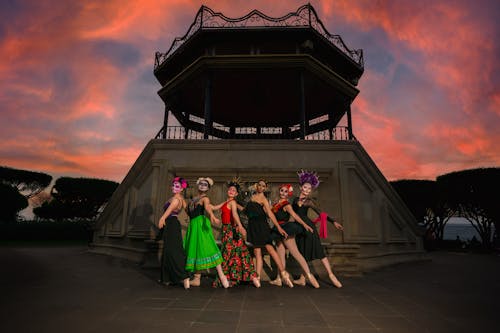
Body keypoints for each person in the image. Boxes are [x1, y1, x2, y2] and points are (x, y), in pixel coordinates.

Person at [293, 170, 343, 288]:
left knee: (319, 252)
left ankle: (331, 275)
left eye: (309, 189)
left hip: (309, 228)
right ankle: (302, 278)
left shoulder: (309, 201)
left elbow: (321, 214)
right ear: (301, 187)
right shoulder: (294, 200)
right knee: (302, 253)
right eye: (305, 187)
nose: (307, 190)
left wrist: (333, 222)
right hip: (300, 230)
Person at [211, 178, 260, 288]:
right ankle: (243, 277)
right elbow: (214, 207)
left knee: (233, 252)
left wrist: (241, 226)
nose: (231, 191)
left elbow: (235, 215)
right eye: (230, 189)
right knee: (235, 253)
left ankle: (252, 276)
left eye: (234, 190)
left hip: (231, 230)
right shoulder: (226, 202)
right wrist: (205, 205)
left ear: (237, 194)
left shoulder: (233, 202)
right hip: (226, 230)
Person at [268, 184, 320, 288]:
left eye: (285, 191)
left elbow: (295, 216)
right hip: (278, 230)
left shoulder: (287, 204)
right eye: (282, 190)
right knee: (280, 255)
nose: (283, 193)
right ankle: (279, 278)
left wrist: (304, 224)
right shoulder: (276, 204)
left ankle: (309, 275)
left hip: (286, 229)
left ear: (289, 194)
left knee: (295, 253)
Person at [245, 179, 294, 288]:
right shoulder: (252, 198)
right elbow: (246, 211)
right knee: (257, 251)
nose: (261, 187)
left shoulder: (264, 199)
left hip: (262, 226)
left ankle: (284, 274)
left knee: (271, 249)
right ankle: (257, 277)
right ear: (256, 186)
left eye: (263, 186)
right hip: (253, 227)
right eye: (259, 185)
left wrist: (278, 227)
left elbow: (271, 215)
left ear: (265, 188)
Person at [184, 177, 229, 288]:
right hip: (193, 225)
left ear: (208, 188)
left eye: (205, 184)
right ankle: (197, 279)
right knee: (195, 250)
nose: (202, 186)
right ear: (198, 185)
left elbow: (208, 208)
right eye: (201, 184)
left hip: (200, 224)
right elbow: (212, 207)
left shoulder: (205, 199)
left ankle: (222, 276)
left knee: (208, 247)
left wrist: (212, 216)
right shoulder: (194, 198)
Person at [158, 176, 190, 289]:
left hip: (171, 223)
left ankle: (184, 276)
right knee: (169, 250)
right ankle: (168, 278)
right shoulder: (181, 199)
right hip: (172, 224)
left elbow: (169, 210)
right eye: (173, 185)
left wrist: (162, 218)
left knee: (173, 251)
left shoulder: (176, 199)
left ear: (181, 189)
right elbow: (188, 210)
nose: (174, 187)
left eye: (177, 186)